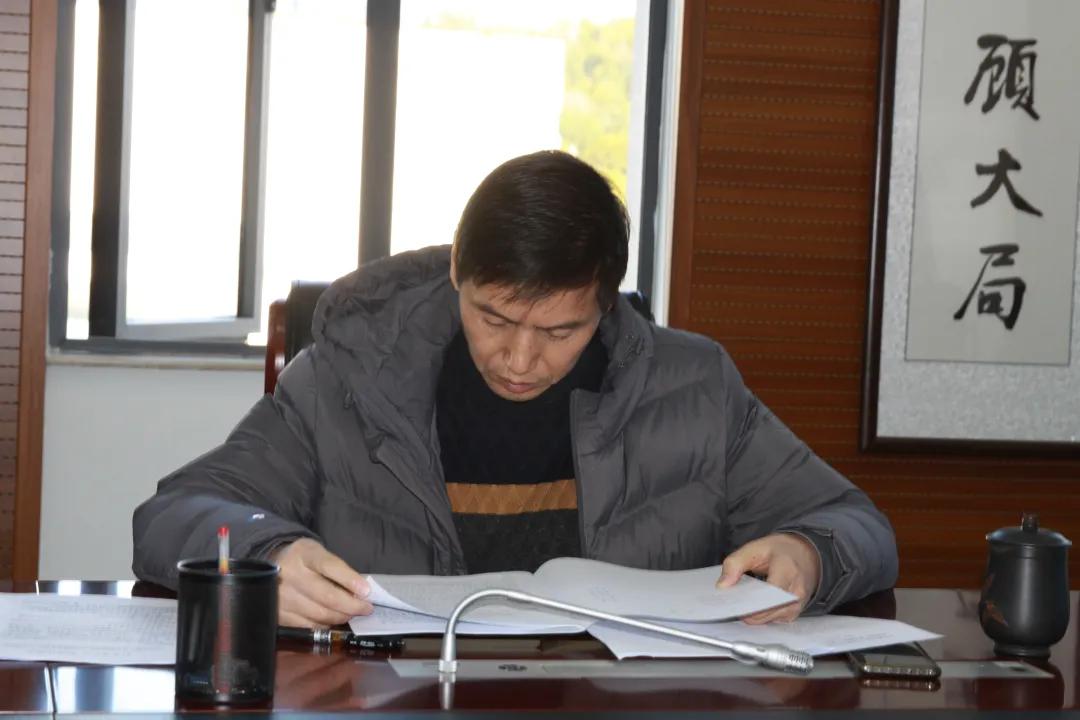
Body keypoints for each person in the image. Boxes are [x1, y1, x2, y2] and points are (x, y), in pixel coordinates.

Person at [132, 150, 897, 628]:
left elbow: (858, 525)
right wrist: (264, 554)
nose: (520, 359)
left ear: (606, 303)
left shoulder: (693, 387)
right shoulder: (348, 377)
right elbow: (176, 513)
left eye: (560, 331)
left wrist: (810, 553)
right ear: (456, 271)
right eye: (494, 317)